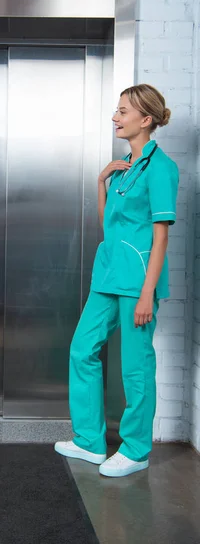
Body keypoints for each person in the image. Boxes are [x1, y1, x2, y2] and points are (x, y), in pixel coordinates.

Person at [55, 84, 179, 478]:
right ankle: (90, 441)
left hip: (137, 283)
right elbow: (109, 228)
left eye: (123, 111)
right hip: (107, 276)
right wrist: (100, 182)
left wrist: (147, 295)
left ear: (146, 120)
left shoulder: (161, 168)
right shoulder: (125, 165)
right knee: (82, 350)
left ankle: (137, 450)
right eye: (116, 110)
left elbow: (161, 237)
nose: (115, 117)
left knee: (135, 367)